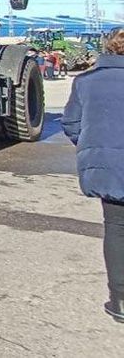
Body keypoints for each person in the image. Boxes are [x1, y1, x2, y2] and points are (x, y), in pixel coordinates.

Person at [62, 27, 124, 323]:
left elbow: (72, 123)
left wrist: (96, 148)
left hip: (108, 167)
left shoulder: (86, 82)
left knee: (116, 229)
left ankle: (120, 302)